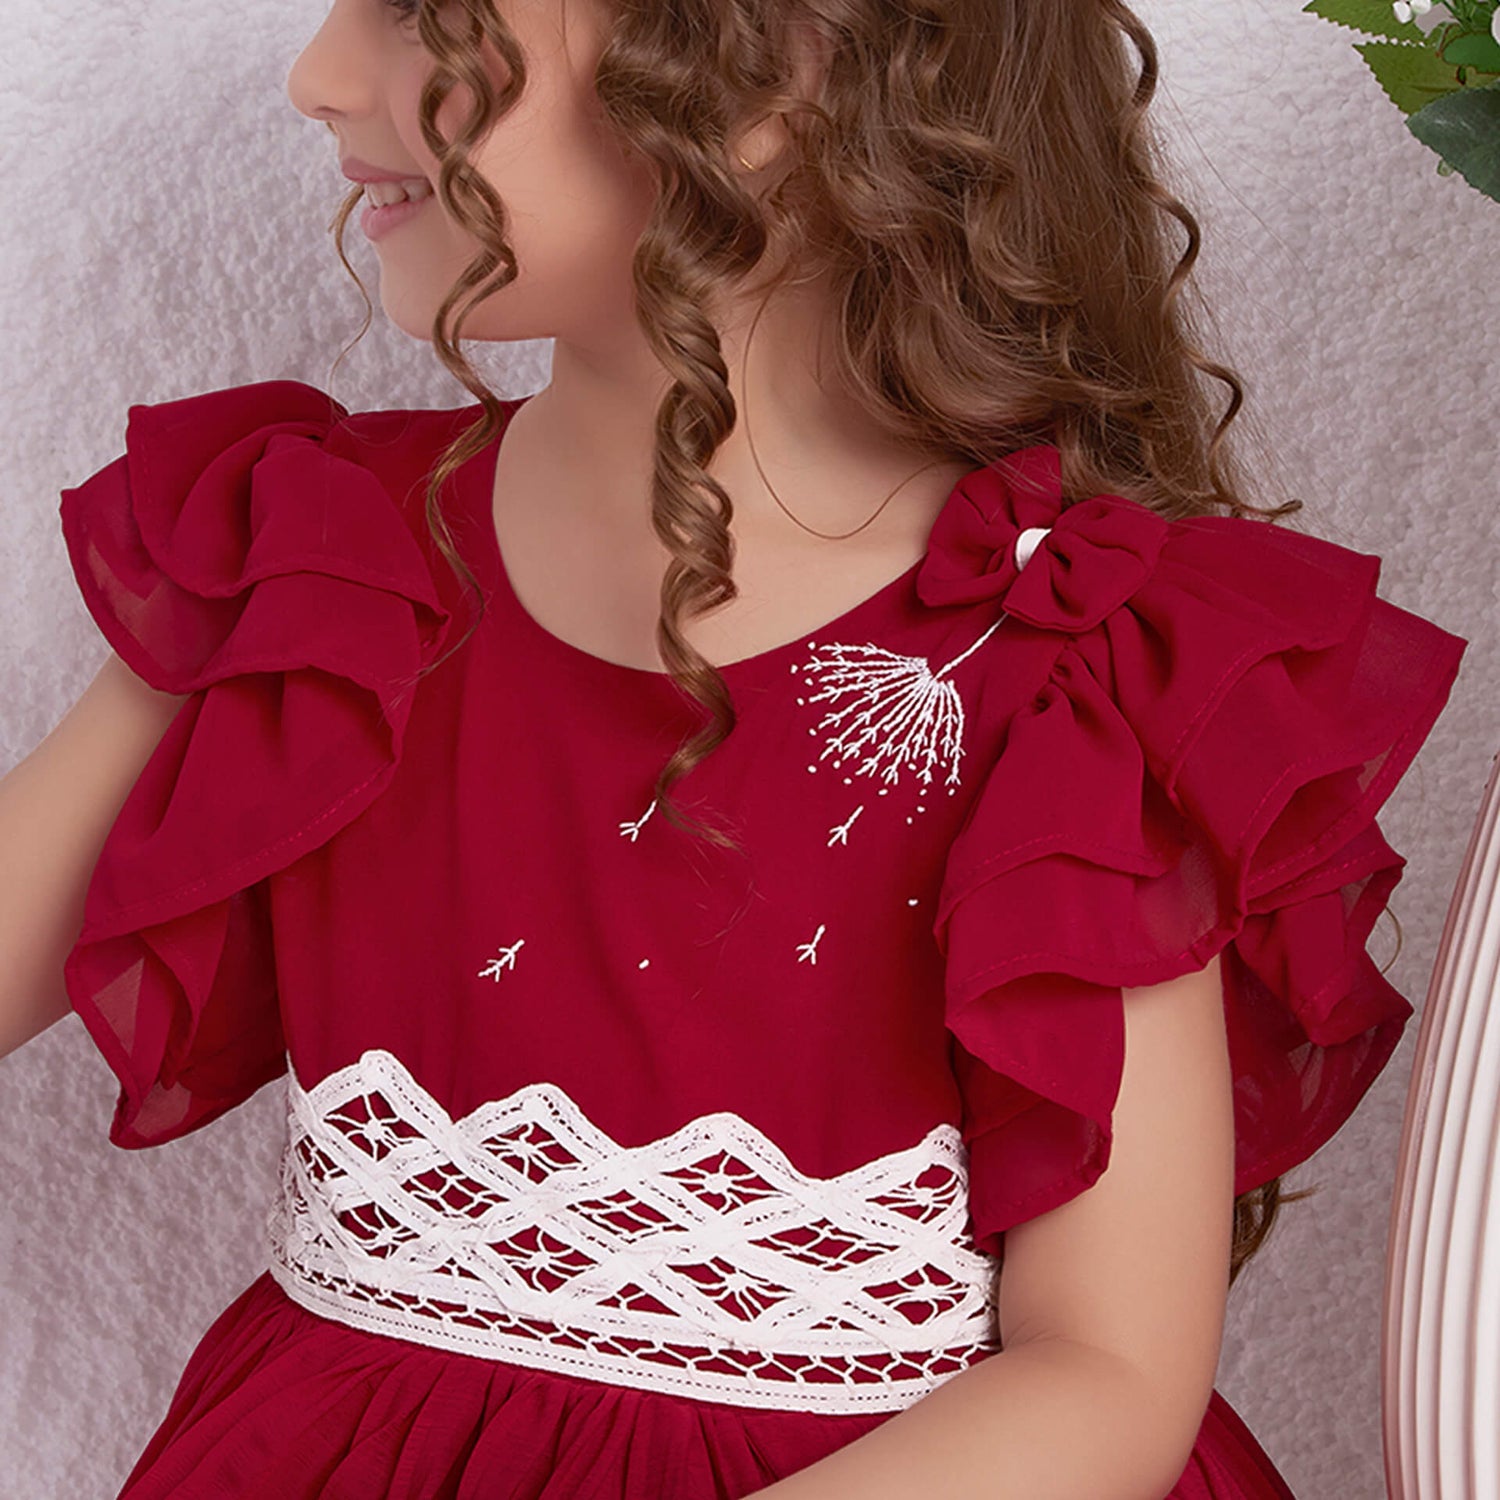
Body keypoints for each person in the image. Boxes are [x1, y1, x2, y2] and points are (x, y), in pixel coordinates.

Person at [0, 0, 1470, 1496]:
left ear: (773, 65)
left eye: (427, 10)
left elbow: (1107, 1373)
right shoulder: (313, 563)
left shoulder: (1086, 659)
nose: (317, 77)